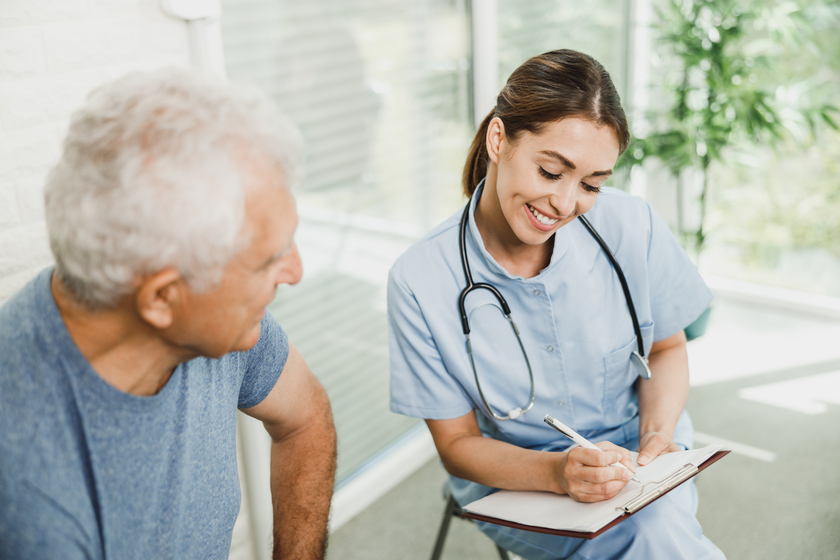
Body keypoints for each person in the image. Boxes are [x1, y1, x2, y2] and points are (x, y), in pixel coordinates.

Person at [387, 49, 725, 559]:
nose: (566, 204)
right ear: (499, 140)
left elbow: (666, 349)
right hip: (518, 480)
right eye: (550, 172)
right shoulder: (421, 281)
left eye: (591, 184)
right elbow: (457, 446)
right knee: (652, 542)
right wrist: (557, 473)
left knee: (653, 532)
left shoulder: (631, 226)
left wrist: (656, 437)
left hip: (637, 455)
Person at [0, 68, 336, 560]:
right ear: (161, 299)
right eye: (269, 259)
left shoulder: (215, 319)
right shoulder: (32, 499)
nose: (296, 271)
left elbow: (306, 420)